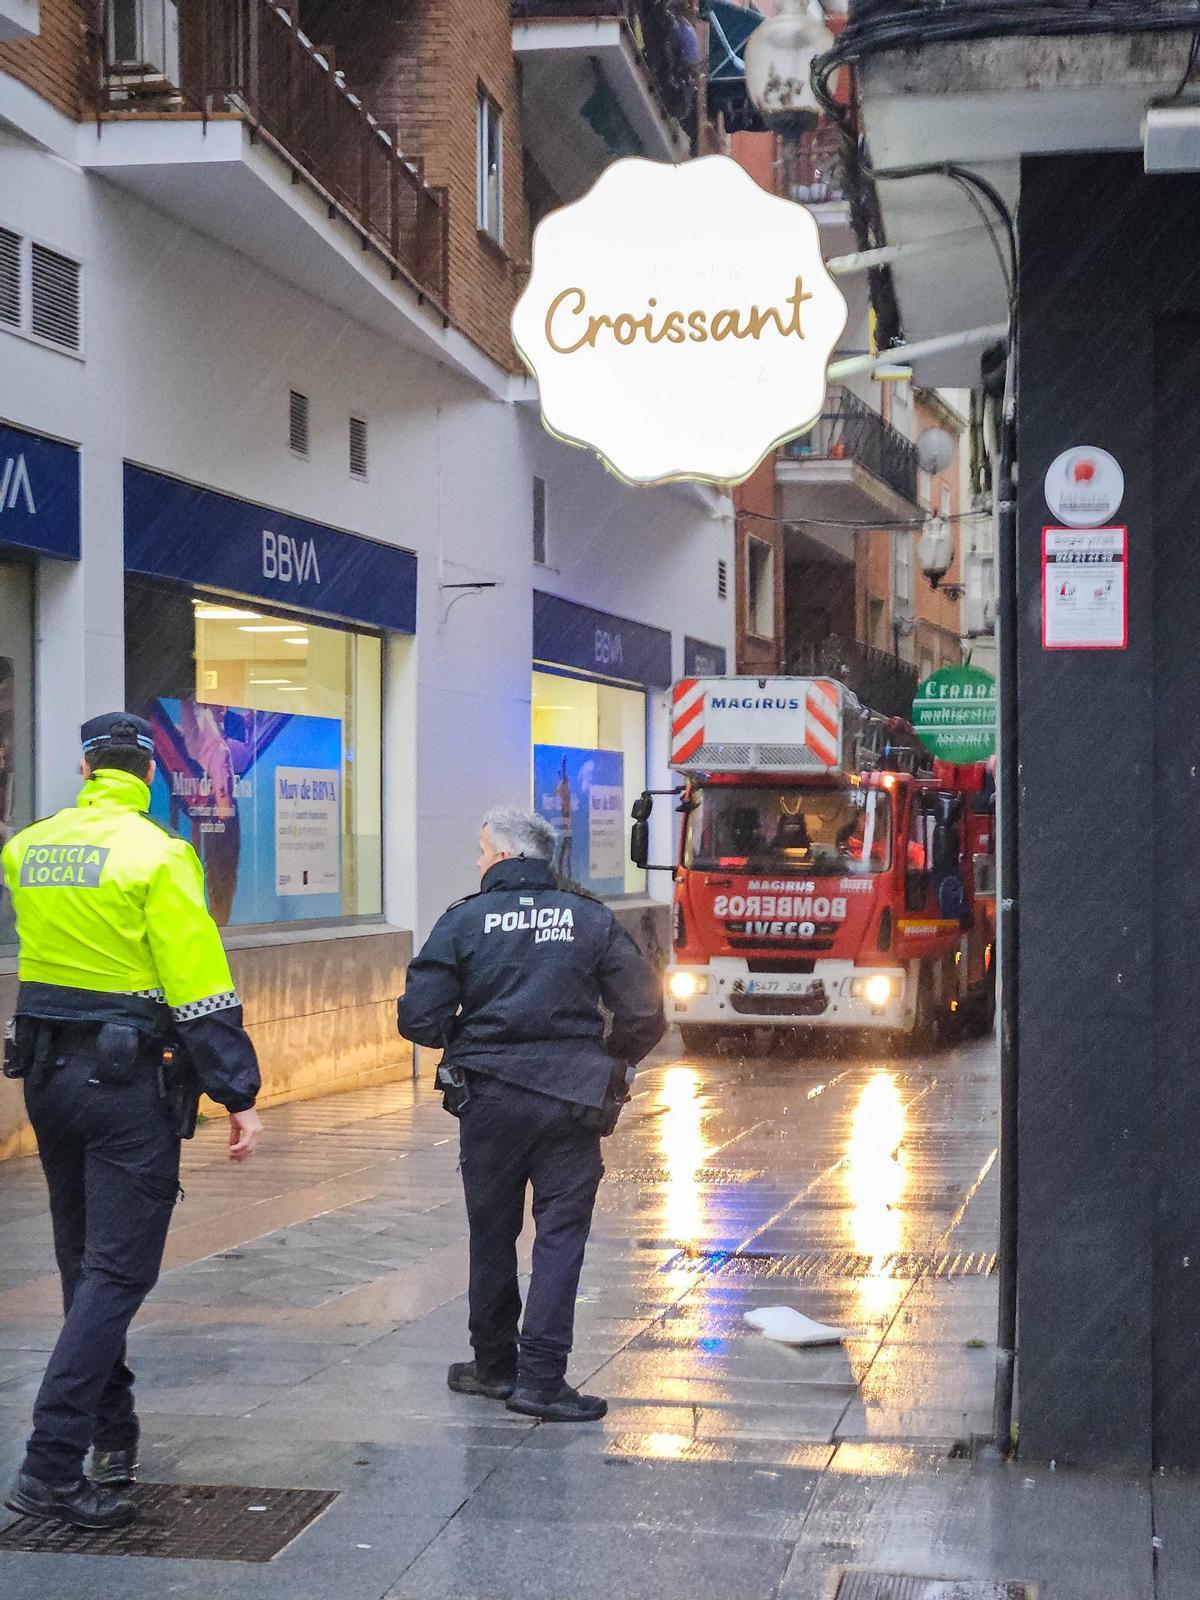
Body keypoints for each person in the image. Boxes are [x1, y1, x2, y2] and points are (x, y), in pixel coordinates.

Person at [0, 713, 263, 1530]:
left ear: (85, 767)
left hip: (47, 1078)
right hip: (124, 1086)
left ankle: (112, 1441)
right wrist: (238, 1092)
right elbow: (197, 979)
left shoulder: (27, 849)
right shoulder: (161, 855)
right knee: (118, 1272)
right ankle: (49, 1467)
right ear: (147, 774)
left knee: (87, 1266)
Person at [398, 806, 664, 1422]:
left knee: (491, 1231)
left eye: (480, 849)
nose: (477, 859)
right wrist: (609, 1064)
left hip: (487, 1099)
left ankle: (493, 1367)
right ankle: (541, 1379)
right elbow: (644, 1012)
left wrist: (468, 1038)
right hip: (572, 1100)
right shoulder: (590, 919)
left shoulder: (462, 920)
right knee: (560, 1234)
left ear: (503, 854)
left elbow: (419, 1018)